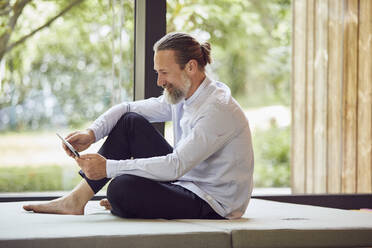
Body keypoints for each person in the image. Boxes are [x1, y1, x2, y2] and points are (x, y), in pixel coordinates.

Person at [23, 32, 254, 220]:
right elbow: (127, 109)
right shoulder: (184, 93)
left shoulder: (217, 110)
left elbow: (175, 166)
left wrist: (108, 168)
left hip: (212, 202)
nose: (159, 82)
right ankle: (75, 200)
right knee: (130, 123)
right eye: (157, 73)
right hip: (185, 179)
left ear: (191, 68)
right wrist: (91, 133)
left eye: (164, 73)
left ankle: (125, 202)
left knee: (121, 188)